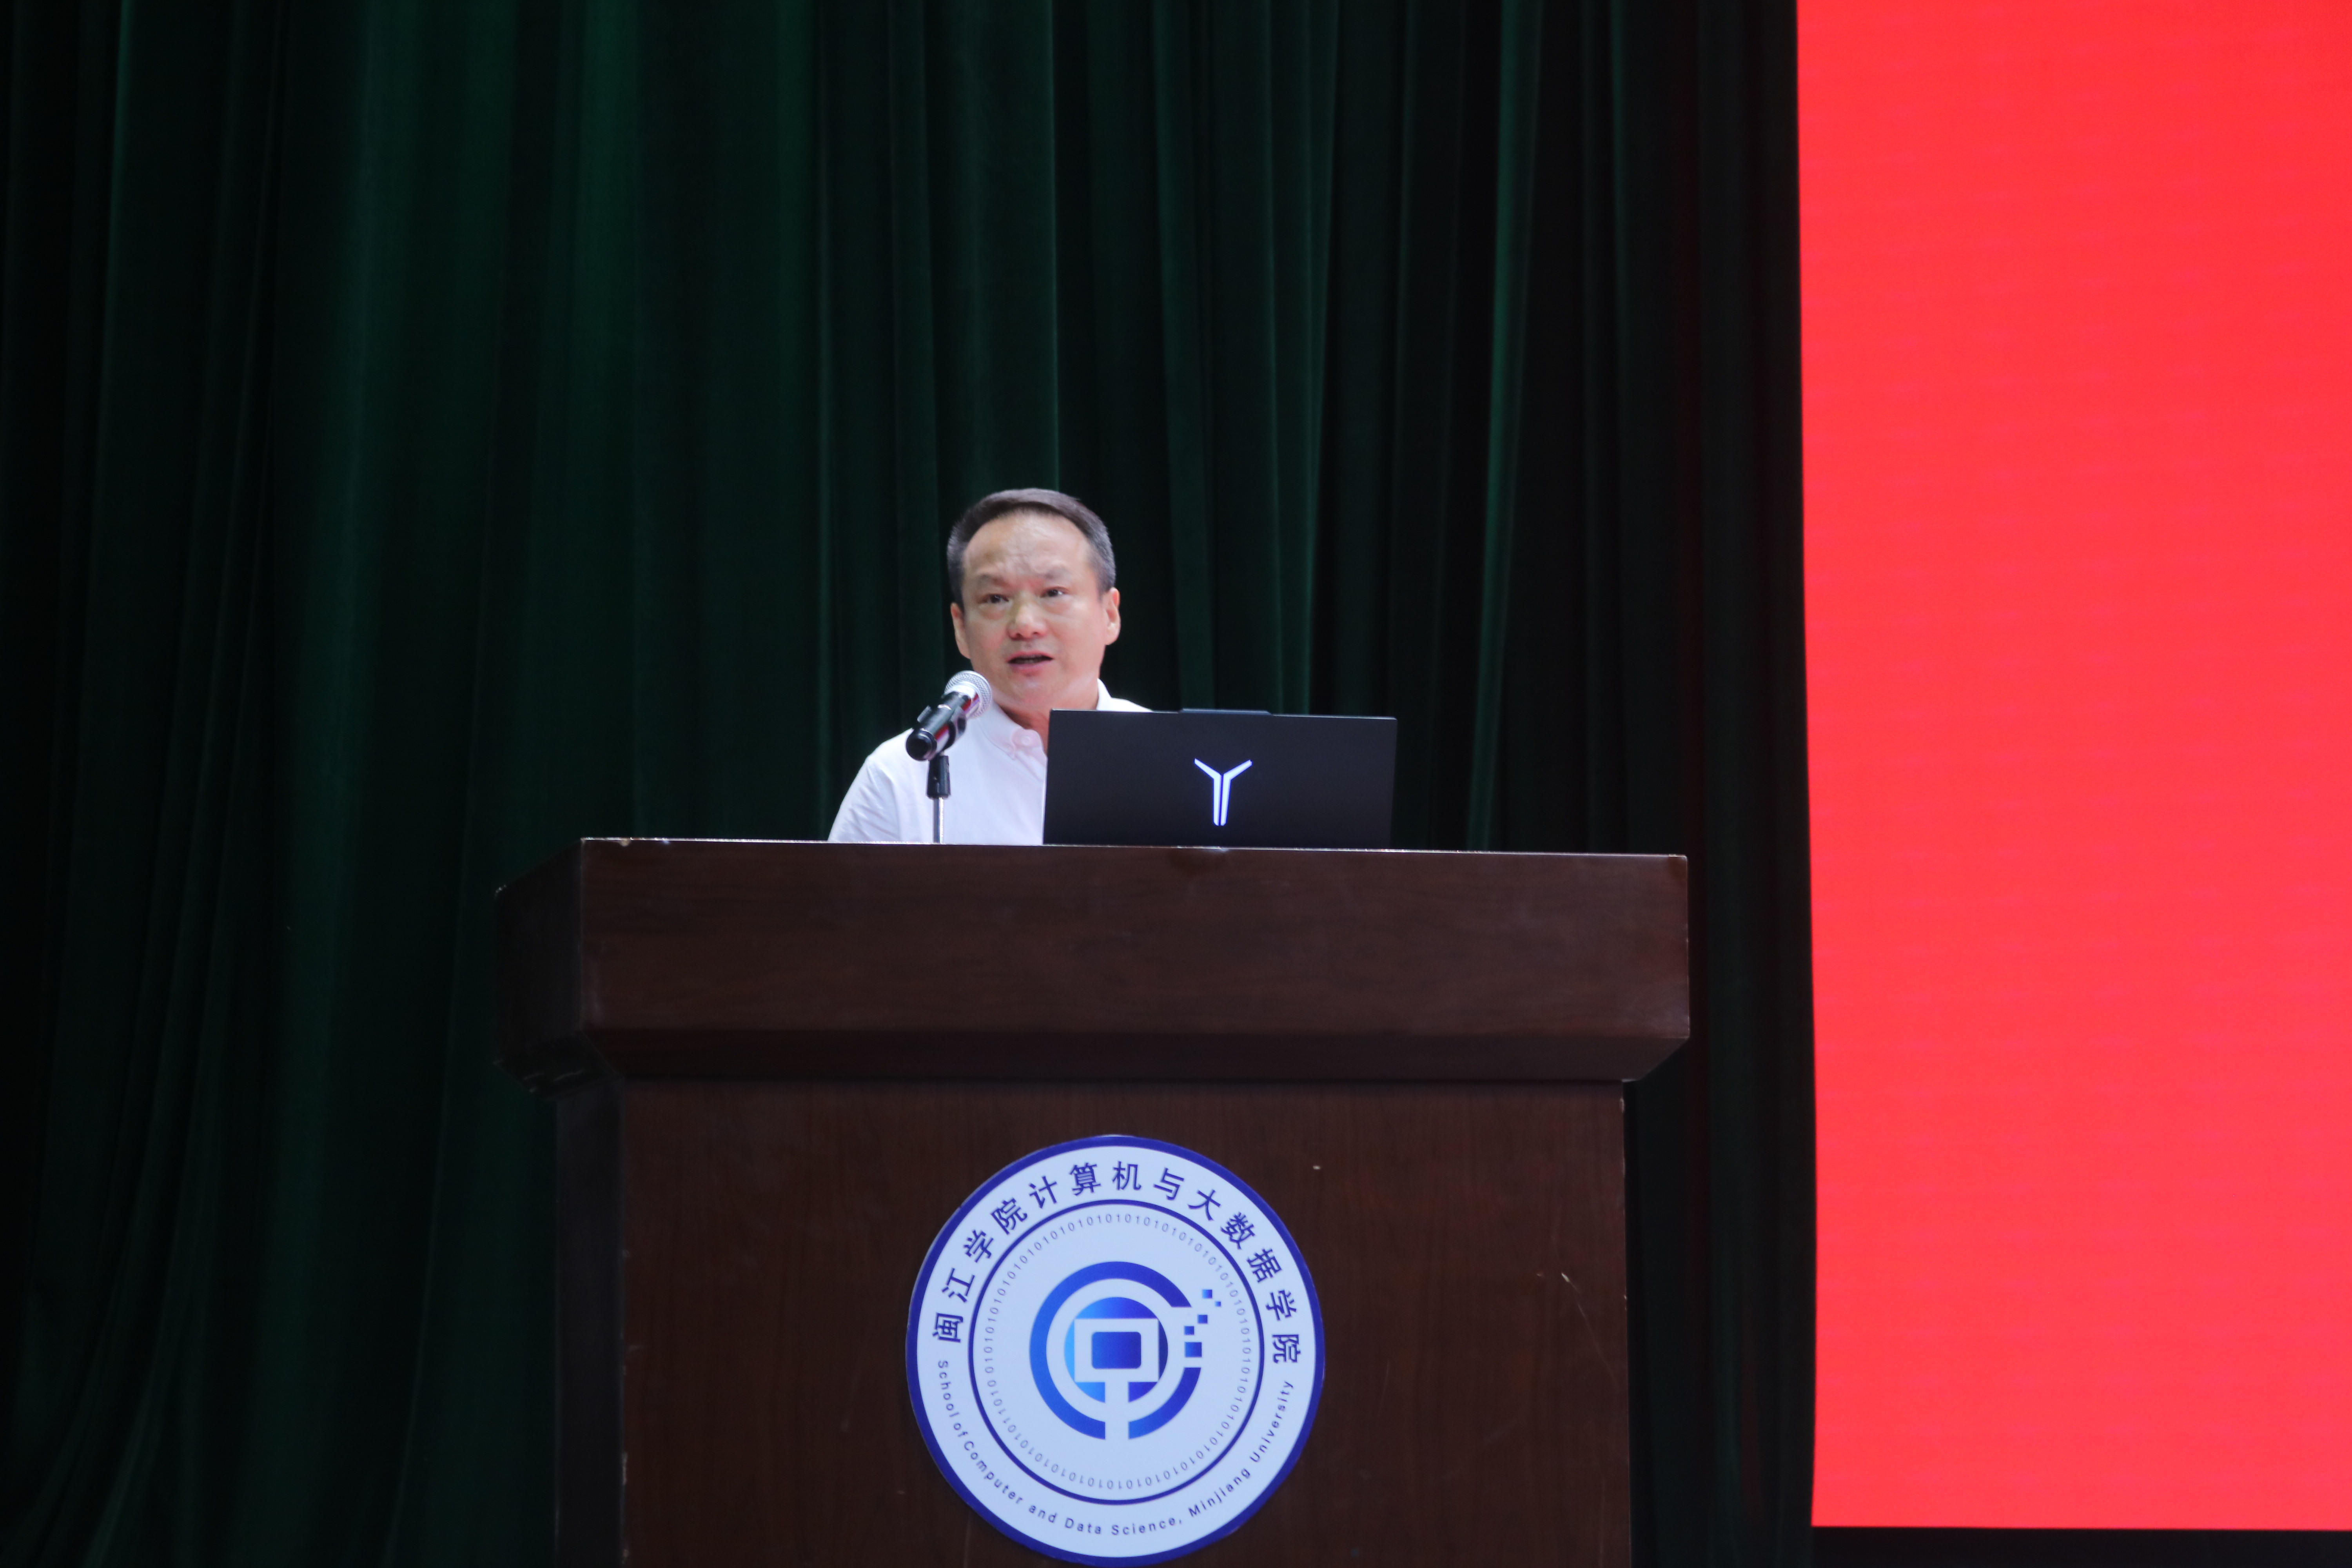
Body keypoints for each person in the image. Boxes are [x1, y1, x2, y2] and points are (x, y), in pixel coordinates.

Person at [828, 488, 1146, 844]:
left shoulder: (1172, 760)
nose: (1025, 625)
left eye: (1053, 592)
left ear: (1110, 614)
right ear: (961, 628)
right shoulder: (900, 779)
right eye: (996, 598)